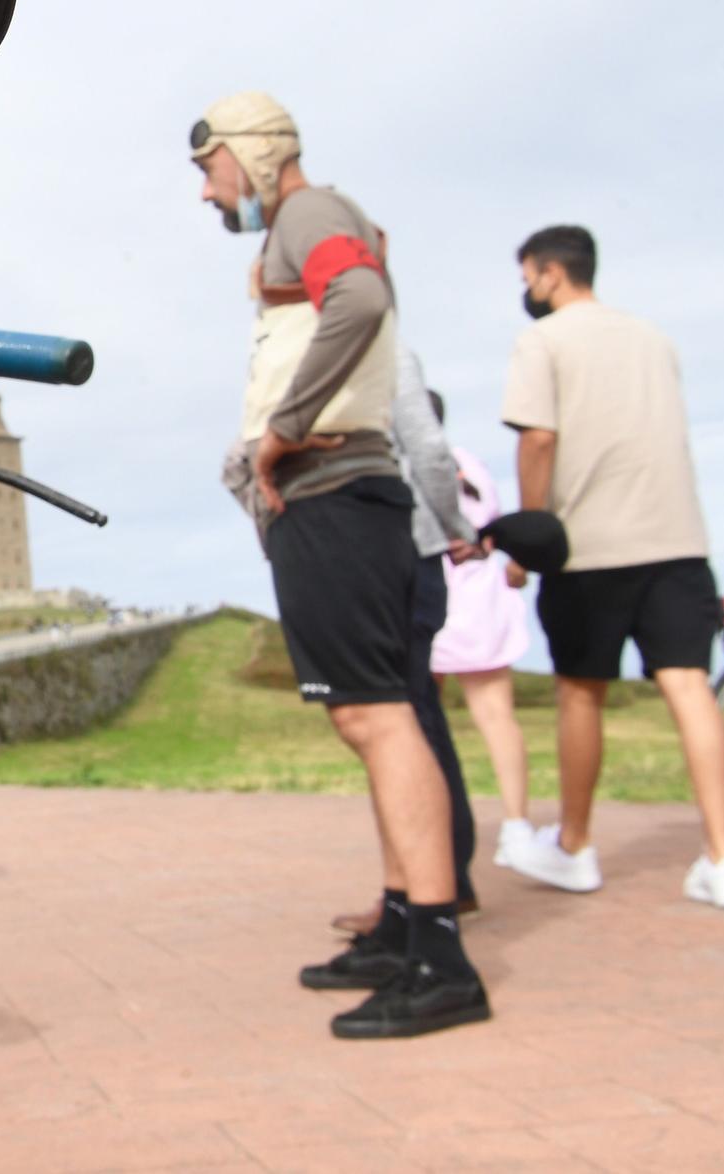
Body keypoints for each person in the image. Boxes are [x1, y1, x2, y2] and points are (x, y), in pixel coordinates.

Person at [194, 90, 488, 1039]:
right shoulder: (302, 225)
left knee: (376, 719)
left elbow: (358, 297)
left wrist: (281, 433)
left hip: (334, 492)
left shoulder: (307, 212)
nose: (205, 193)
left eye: (208, 169)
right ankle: (406, 925)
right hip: (351, 498)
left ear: (248, 151)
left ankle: (440, 960)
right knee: (382, 715)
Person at [499, 225, 724, 908]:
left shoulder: (542, 341)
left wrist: (532, 536)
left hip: (590, 545)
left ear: (551, 273)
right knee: (689, 685)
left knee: (582, 691)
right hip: (677, 540)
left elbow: (540, 440)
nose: (526, 289)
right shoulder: (654, 340)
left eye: (527, 276)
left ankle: (576, 847)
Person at [329, 351, 482, 936]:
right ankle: (445, 882)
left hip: (400, 557)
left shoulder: (384, 351)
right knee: (419, 718)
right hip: (405, 560)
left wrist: (456, 528)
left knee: (403, 722)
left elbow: (430, 450)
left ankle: (425, 896)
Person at [426, 395, 534, 862]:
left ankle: (435, 830)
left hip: (435, 595)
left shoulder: (409, 466)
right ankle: (516, 825)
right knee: (497, 718)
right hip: (482, 597)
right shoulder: (470, 463)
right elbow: (496, 528)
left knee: (421, 724)